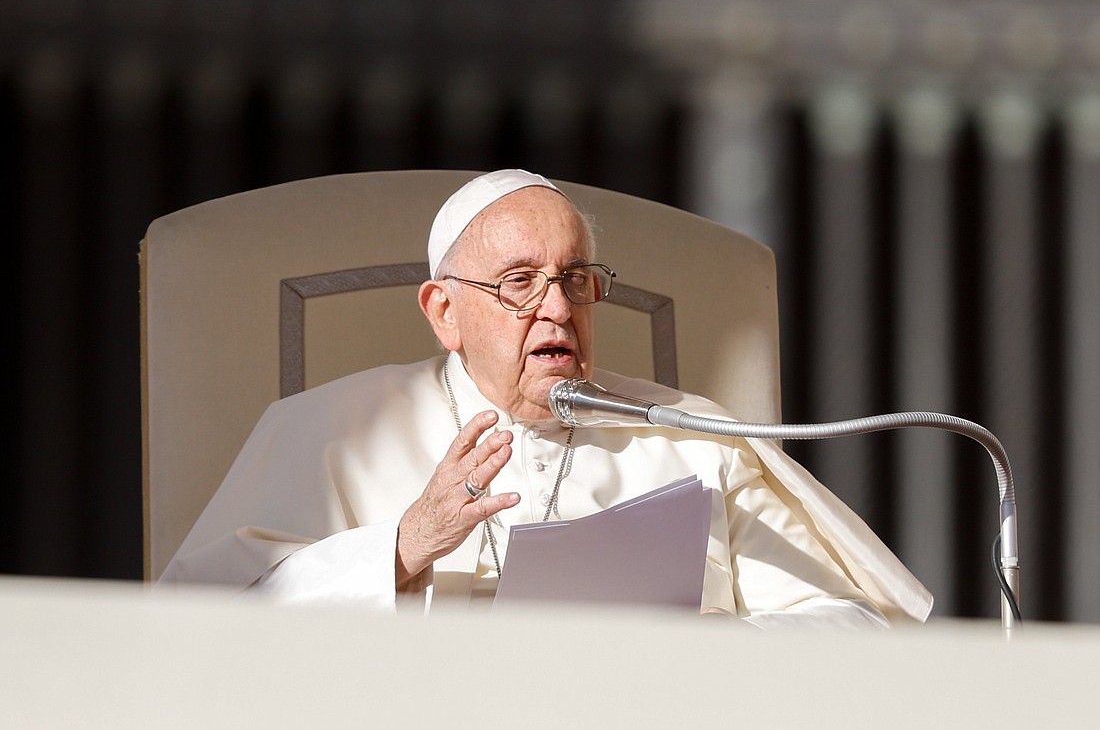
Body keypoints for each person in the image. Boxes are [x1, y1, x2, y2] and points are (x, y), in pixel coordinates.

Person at [158, 169, 932, 628]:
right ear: (443, 312)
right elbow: (196, 635)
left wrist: (701, 655)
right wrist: (398, 550)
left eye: (574, 280)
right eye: (519, 283)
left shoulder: (695, 439)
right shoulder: (329, 431)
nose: (557, 308)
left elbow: (851, 626)